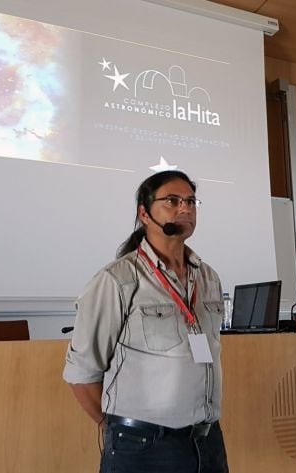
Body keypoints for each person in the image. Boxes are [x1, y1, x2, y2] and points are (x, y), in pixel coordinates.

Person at [63, 170, 228, 473]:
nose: (185, 208)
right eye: (173, 200)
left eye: (191, 201)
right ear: (144, 213)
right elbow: (81, 374)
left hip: (207, 442)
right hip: (142, 447)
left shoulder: (208, 277)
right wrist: (116, 430)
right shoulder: (117, 280)